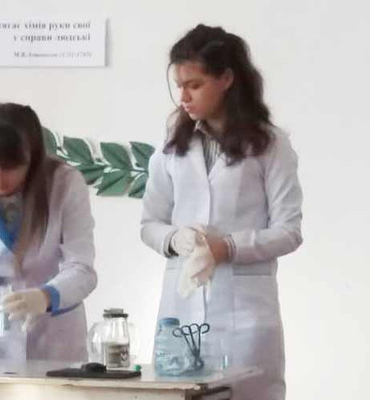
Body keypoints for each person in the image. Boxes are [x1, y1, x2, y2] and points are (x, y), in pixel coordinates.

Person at [140, 24, 303, 400]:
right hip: (182, 310)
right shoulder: (171, 148)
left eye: (194, 85)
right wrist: (175, 239)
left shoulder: (270, 145)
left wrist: (227, 247)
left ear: (227, 78)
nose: (183, 96)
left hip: (246, 315)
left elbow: (289, 231)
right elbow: (150, 223)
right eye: (179, 86)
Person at [0, 101, 97, 361]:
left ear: (32, 160)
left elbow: (82, 268)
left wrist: (46, 296)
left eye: (10, 167)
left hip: (54, 335)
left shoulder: (65, 185)